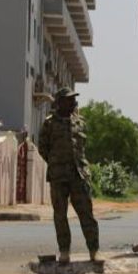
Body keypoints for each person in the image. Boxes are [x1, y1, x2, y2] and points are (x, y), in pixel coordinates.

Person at [38, 88, 99, 264]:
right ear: (59, 102)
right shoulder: (49, 124)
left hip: (79, 175)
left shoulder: (80, 122)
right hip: (58, 177)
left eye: (74, 100)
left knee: (86, 214)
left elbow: (83, 148)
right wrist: (56, 161)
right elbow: (43, 148)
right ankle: (64, 251)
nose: (73, 103)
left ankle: (94, 250)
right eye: (69, 100)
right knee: (60, 215)